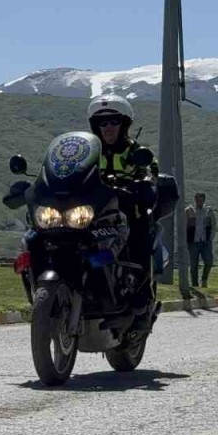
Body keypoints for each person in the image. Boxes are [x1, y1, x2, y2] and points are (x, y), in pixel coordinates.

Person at [87, 94, 158, 306]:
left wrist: (145, 182)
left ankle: (142, 295)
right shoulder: (89, 152)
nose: (107, 127)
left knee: (140, 236)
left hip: (127, 210)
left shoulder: (136, 151)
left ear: (124, 124)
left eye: (113, 122)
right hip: (93, 211)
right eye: (102, 123)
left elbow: (150, 171)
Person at [185, 193, 217, 289]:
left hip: (205, 241)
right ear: (195, 200)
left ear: (204, 200)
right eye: (198, 200)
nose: (199, 202)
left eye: (201, 200)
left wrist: (211, 237)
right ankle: (194, 283)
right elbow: (184, 226)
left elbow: (213, 224)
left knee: (209, 261)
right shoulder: (189, 211)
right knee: (193, 263)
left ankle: (204, 280)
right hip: (193, 241)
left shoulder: (208, 211)